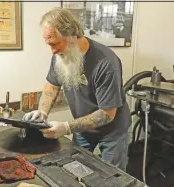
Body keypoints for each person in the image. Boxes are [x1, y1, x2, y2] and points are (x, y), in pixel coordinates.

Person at [22, 7, 131, 171]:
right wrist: (42, 112)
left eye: (55, 43)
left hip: (112, 132)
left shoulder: (106, 63)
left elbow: (107, 114)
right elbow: (52, 84)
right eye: (49, 44)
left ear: (73, 36)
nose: (52, 51)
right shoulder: (60, 55)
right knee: (75, 169)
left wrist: (66, 127)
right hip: (83, 128)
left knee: (112, 176)